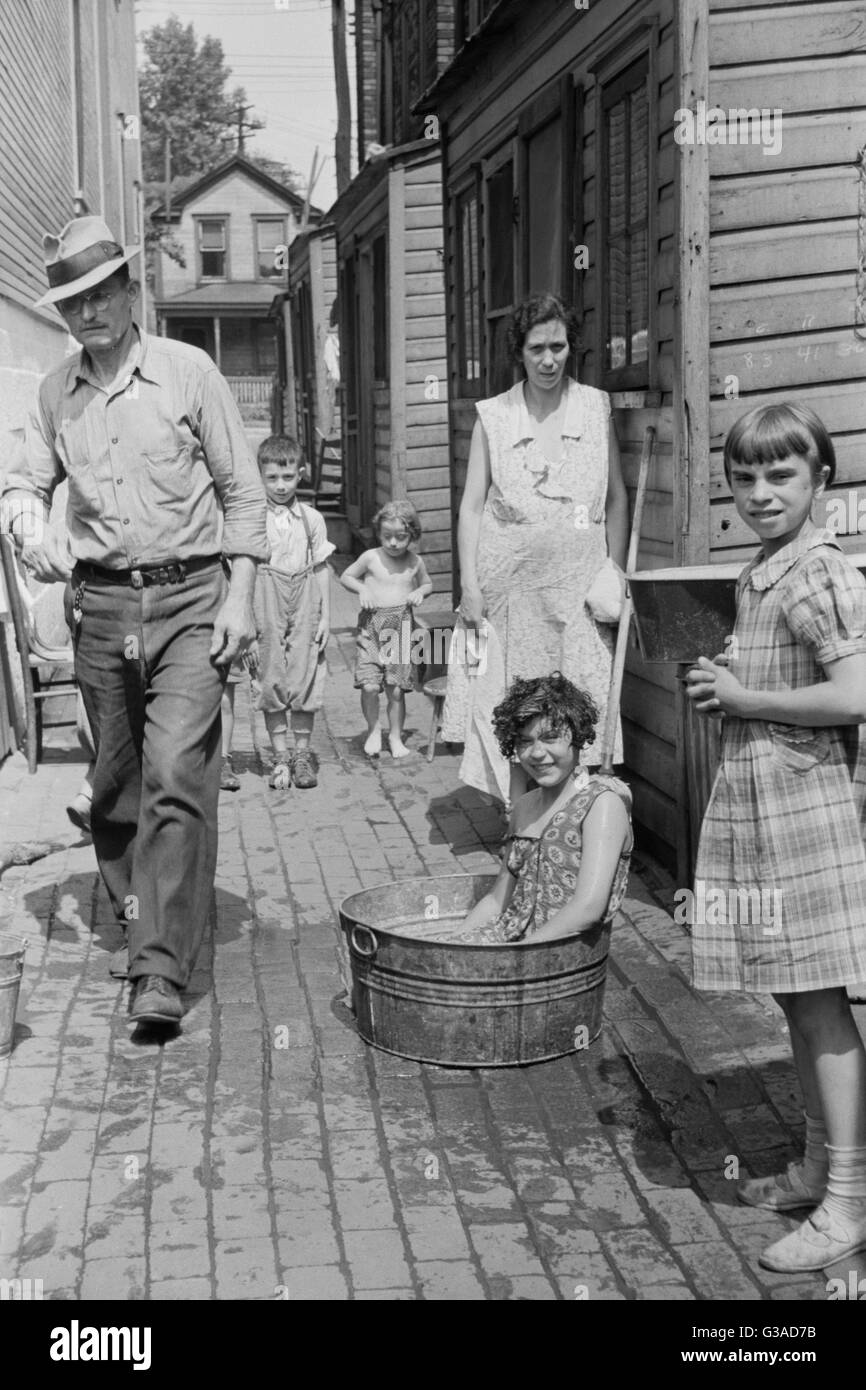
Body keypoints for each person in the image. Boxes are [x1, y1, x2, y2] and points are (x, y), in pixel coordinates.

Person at [0, 216, 268, 1025]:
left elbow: (243, 493)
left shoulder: (189, 373)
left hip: (191, 596)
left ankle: (159, 969)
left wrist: (243, 596)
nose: (89, 312)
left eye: (101, 293)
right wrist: (28, 525)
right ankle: (136, 908)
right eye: (73, 301)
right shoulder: (55, 394)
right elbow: (20, 486)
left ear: (128, 290)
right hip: (102, 604)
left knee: (178, 775)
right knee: (116, 785)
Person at [685, 402, 866, 1272]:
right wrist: (728, 676)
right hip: (762, 802)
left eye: (781, 475)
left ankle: (850, 1202)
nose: (760, 493)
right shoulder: (765, 570)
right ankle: (816, 1166)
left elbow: (857, 695)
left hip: (806, 809)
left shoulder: (819, 572)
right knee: (795, 994)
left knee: (822, 1001)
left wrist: (749, 700)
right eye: (745, 477)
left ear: (822, 480)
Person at [446, 291, 629, 807]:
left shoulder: (594, 407)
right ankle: (521, 826)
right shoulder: (496, 416)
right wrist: (470, 585)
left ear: (571, 347)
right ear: (519, 353)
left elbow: (616, 498)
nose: (548, 360)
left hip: (576, 590)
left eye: (558, 346)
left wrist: (613, 570)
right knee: (518, 708)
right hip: (512, 592)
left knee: (578, 703)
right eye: (536, 349)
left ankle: (578, 823)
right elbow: (473, 507)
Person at [438, 673, 632, 944]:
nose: (537, 753)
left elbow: (588, 908)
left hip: (558, 955)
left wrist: (522, 954)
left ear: (578, 737)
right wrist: (451, 944)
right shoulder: (524, 807)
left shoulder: (600, 805)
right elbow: (498, 900)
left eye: (550, 738)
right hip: (511, 938)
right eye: (525, 742)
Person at [247, 435, 333, 790]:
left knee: (305, 671)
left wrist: (325, 615)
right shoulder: (251, 518)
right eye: (272, 478)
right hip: (264, 596)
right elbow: (243, 569)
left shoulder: (311, 519)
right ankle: (279, 756)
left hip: (304, 597)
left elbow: (321, 568)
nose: (280, 486)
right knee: (269, 674)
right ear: (260, 477)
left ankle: (301, 756)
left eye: (288, 477)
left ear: (300, 474)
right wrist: (247, 622)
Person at [340, 499, 432, 758]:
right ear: (379, 533)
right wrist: (363, 588)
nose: (393, 543)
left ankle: (394, 736)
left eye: (400, 537)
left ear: (412, 535)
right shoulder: (371, 557)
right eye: (387, 536)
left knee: (395, 690)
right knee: (370, 685)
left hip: (400, 628)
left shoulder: (415, 562)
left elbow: (427, 583)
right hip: (371, 627)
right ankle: (373, 730)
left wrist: (419, 592)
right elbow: (346, 576)